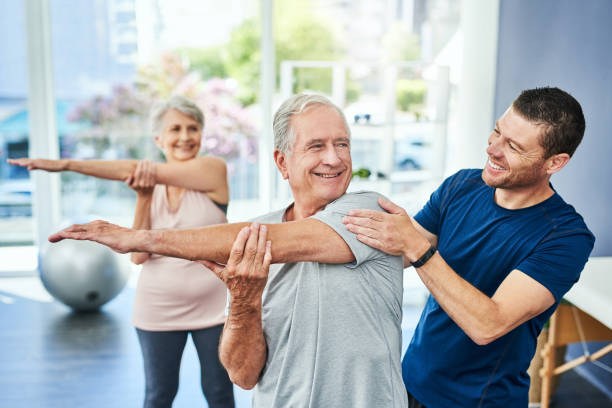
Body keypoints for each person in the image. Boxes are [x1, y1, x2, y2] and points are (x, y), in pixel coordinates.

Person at [47, 93, 409, 408]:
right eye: (317, 146)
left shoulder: (370, 214)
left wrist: (140, 238)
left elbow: (271, 239)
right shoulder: (261, 230)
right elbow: (243, 374)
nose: (333, 158)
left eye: (342, 144)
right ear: (282, 162)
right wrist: (243, 300)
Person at [341, 87, 595, 407]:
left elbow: (488, 325)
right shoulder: (463, 185)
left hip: (477, 401)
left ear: (555, 162)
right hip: (410, 381)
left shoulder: (565, 238)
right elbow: (395, 250)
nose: (493, 149)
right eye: (497, 132)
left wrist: (417, 247)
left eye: (514, 146)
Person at [9, 95, 235, 408]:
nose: (185, 137)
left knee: (219, 392)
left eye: (192, 128)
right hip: (158, 307)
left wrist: (65, 165)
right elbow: (138, 256)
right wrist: (143, 196)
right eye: (175, 129)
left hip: (213, 308)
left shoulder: (214, 171)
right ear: (159, 139)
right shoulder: (149, 183)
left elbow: (134, 168)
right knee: (159, 395)